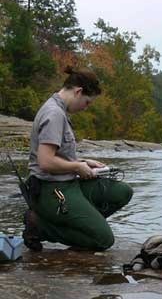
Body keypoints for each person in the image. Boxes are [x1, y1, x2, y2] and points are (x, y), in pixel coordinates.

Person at [23, 67, 133, 251]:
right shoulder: (54, 114)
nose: (86, 107)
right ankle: (40, 226)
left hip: (69, 184)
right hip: (52, 191)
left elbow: (57, 154)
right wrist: (77, 167)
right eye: (87, 102)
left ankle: (85, 227)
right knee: (104, 240)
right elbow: (45, 162)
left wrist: (83, 162)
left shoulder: (59, 110)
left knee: (122, 191)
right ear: (78, 92)